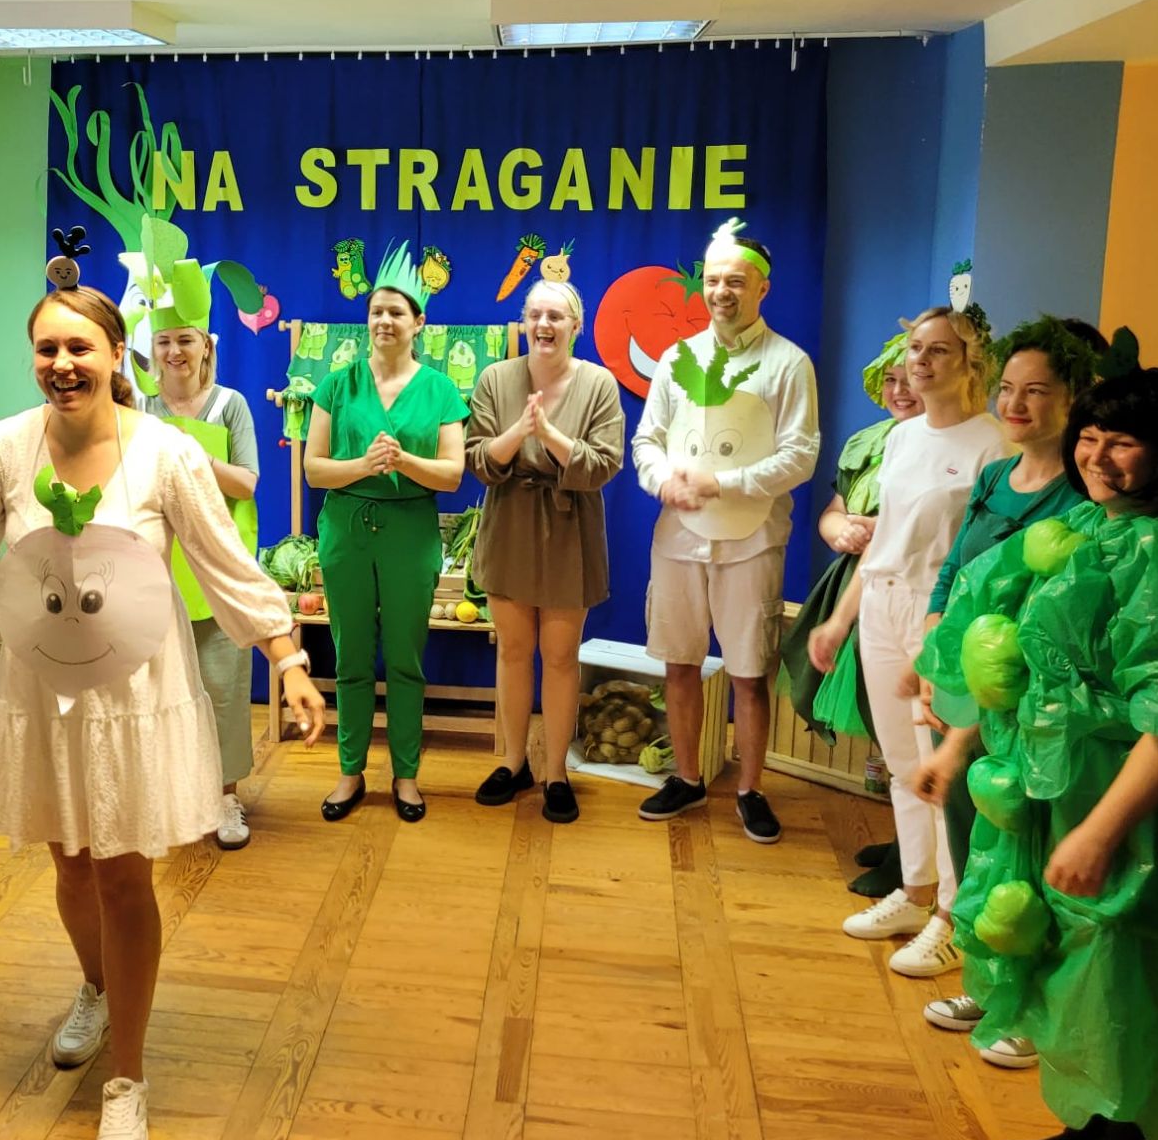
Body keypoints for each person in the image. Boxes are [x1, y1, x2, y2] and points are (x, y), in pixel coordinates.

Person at [0, 280, 325, 1140]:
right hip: (44, 695)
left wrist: (288, 658)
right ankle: (97, 989)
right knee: (69, 861)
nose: (62, 364)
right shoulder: (2, 448)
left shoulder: (167, 454)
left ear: (113, 356)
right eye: (47, 349)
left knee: (123, 876)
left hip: (136, 699)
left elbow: (228, 566)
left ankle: (126, 1079)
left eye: (79, 348)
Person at [912, 367, 1158, 1140]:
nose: (1098, 456)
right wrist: (959, 746)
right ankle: (1088, 1128)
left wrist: (1103, 830)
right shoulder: (1090, 530)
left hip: (1139, 810)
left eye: (1124, 441)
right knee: (1075, 972)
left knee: (1129, 972)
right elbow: (1024, 661)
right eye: (1091, 436)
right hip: (1064, 790)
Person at [912, 316, 1104, 1057]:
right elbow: (957, 567)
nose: (1015, 404)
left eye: (1037, 391)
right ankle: (991, 986)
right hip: (968, 686)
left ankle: (1035, 1009)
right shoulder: (996, 477)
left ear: (1075, 398)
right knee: (977, 842)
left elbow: (1051, 612)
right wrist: (936, 639)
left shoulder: (1083, 500)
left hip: (1032, 700)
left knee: (1030, 848)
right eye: (1009, 389)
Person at [807, 305, 1003, 964]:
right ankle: (915, 890)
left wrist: (944, 634)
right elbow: (883, 541)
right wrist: (839, 620)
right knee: (901, 766)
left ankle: (951, 916)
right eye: (916, 349)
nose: (921, 361)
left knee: (939, 772)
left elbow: (980, 557)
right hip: (882, 604)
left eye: (939, 350)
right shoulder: (902, 437)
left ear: (970, 363)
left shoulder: (991, 444)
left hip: (938, 615)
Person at [632, 218, 820, 845]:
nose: (721, 292)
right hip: (678, 540)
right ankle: (687, 777)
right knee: (680, 661)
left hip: (752, 541)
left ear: (762, 288)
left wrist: (722, 483)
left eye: (735, 282)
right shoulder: (676, 359)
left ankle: (751, 788)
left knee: (748, 670)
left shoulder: (788, 364)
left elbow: (800, 456)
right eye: (713, 281)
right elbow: (647, 440)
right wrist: (663, 481)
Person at [304, 245, 468, 823]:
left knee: (404, 658)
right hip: (347, 527)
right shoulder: (337, 384)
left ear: (418, 323)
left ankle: (406, 776)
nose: (384, 321)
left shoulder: (441, 389)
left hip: (410, 532)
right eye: (376, 311)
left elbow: (452, 474)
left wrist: (403, 462)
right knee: (350, 655)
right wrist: (364, 466)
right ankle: (350, 772)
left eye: (397, 312)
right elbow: (314, 469)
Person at [466, 278, 625, 822]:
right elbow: (478, 459)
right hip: (509, 524)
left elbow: (604, 464)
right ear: (524, 321)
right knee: (512, 652)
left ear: (576, 326)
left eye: (556, 316)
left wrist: (550, 434)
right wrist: (519, 431)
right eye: (535, 314)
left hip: (569, 530)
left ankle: (556, 771)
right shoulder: (495, 378)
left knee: (559, 657)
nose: (544, 325)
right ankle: (514, 763)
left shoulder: (599, 384)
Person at [780, 331, 921, 898]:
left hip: (903, 593)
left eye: (911, 378)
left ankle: (914, 858)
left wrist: (880, 531)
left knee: (907, 730)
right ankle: (903, 839)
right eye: (891, 379)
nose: (900, 390)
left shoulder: (945, 450)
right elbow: (835, 509)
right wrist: (839, 529)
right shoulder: (869, 441)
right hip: (855, 585)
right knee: (881, 719)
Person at [140, 268, 264, 850]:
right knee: (158, 689)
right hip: (154, 568)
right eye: (164, 340)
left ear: (206, 346)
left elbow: (246, 483)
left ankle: (225, 796)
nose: (175, 351)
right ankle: (170, 794)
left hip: (215, 567)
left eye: (185, 339)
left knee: (223, 686)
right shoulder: (139, 407)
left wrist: (192, 454)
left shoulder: (230, 406)